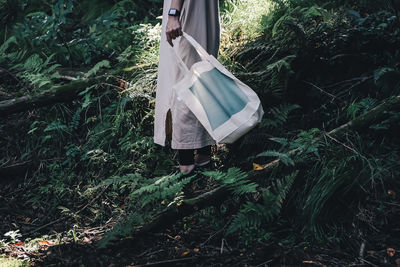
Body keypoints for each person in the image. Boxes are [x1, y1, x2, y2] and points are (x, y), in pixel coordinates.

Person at [154, 0, 220, 174]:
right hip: (204, 9)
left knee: (184, 79)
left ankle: (187, 163)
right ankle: (204, 155)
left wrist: (173, 13)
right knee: (203, 75)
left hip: (187, 10)